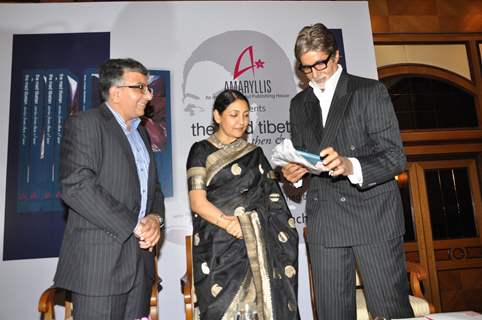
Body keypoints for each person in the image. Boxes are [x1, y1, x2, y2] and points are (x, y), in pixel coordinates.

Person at [282, 23, 414, 319]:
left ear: (336, 55)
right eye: (306, 69)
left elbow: (395, 157)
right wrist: (294, 176)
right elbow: (304, 167)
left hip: (374, 219)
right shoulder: (298, 104)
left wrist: (349, 164)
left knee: (390, 311)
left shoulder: (369, 91)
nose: (315, 74)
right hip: (325, 222)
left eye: (321, 64)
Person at [54, 58, 165, 320]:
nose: (148, 95)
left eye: (148, 88)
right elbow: (77, 187)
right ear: (115, 92)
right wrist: (135, 225)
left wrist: (155, 219)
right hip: (99, 268)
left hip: (140, 265)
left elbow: (154, 189)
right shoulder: (86, 124)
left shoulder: (142, 134)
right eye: (140, 87)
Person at [186, 89, 299, 320]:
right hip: (218, 246)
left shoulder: (254, 154)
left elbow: (273, 201)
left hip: (256, 243)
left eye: (246, 115)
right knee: (220, 310)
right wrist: (230, 225)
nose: (242, 122)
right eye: (234, 115)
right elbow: (197, 202)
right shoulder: (201, 151)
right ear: (217, 116)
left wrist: (248, 225)